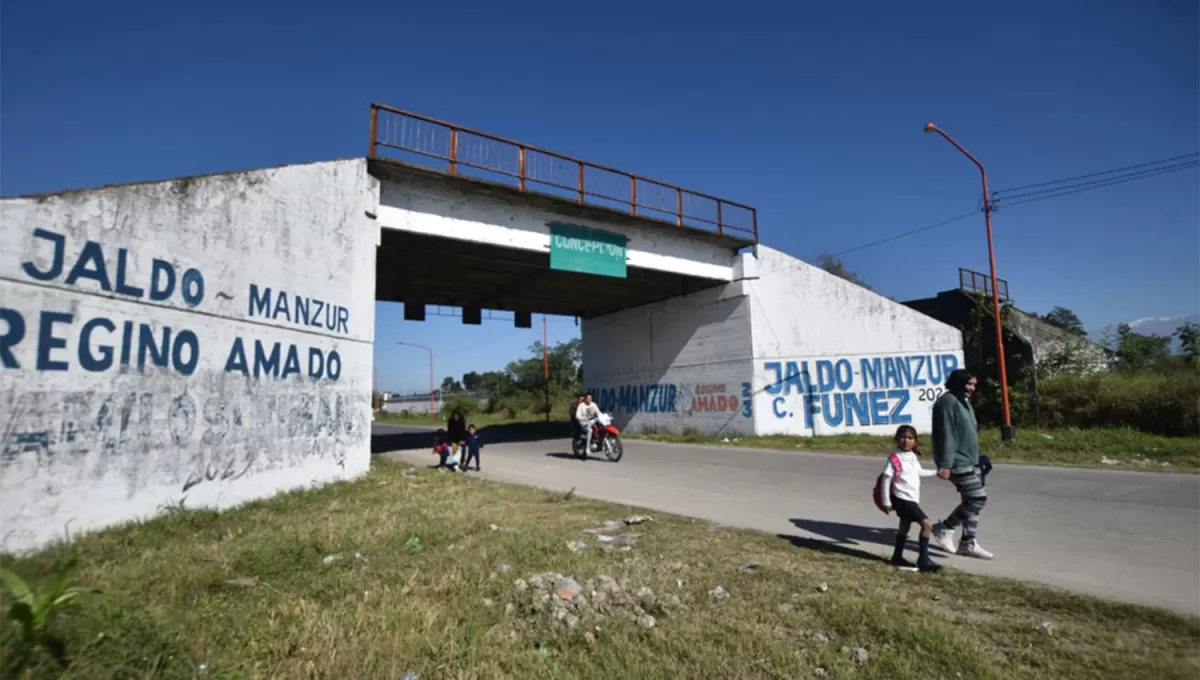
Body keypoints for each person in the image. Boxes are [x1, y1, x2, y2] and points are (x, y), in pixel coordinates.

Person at [931, 369, 994, 560]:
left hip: (971, 459)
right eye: (969, 384)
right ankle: (945, 527)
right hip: (957, 461)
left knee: (971, 501)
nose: (972, 389)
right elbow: (947, 434)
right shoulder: (947, 402)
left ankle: (968, 542)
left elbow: (968, 432)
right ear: (958, 383)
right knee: (977, 499)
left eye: (974, 385)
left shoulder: (963, 401)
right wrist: (946, 464)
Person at [878, 425, 942, 573]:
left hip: (912, 498)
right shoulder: (894, 458)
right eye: (902, 437)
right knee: (926, 525)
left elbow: (918, 472)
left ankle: (897, 556)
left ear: (915, 441)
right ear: (897, 439)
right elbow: (886, 479)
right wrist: (886, 501)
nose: (906, 441)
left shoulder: (912, 456)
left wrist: (936, 472)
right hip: (902, 498)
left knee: (904, 526)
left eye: (910, 438)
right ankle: (924, 559)